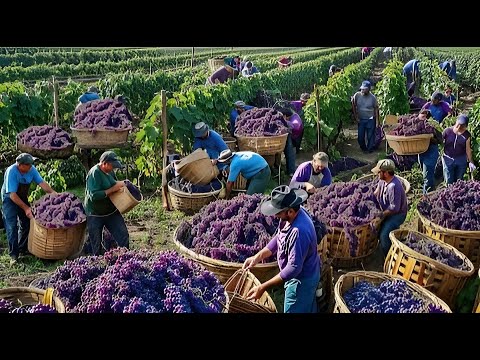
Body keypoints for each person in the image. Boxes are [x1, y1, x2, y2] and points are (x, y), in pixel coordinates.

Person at [243, 185, 320, 313]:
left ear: (289, 211)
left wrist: (263, 287)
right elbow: (280, 237)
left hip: (301, 281)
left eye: (278, 212)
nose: (275, 215)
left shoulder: (299, 231)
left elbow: (293, 268)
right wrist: (258, 257)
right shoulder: (291, 216)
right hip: (307, 271)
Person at [1, 153, 56, 264]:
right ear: (21, 165)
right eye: (29, 165)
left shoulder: (31, 170)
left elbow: (42, 183)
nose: (31, 166)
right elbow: (12, 195)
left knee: (26, 222)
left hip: (21, 197)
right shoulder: (12, 171)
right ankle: (14, 255)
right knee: (12, 226)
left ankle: (22, 248)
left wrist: (54, 193)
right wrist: (26, 208)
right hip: (9, 199)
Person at [84, 151, 129, 256]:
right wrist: (112, 189)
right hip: (95, 213)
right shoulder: (94, 173)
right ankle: (98, 265)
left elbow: (115, 184)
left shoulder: (110, 172)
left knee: (123, 235)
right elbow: (93, 195)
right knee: (96, 243)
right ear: (104, 163)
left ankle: (125, 259)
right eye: (112, 166)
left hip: (110, 211)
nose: (113, 169)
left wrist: (125, 185)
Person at [372, 159, 408, 256]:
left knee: (384, 235)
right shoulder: (382, 180)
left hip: (397, 215)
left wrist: (381, 215)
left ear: (386, 173)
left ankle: (389, 256)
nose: (377, 174)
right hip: (386, 211)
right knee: (377, 229)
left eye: (379, 172)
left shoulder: (394, 186)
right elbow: (376, 192)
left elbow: (394, 208)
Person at [442, 114, 476, 184]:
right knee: (449, 180)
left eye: (462, 126)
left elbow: (468, 149)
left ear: (466, 126)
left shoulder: (467, 135)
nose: (459, 127)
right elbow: (440, 142)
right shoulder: (447, 131)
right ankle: (449, 193)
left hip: (461, 160)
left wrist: (471, 162)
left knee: (459, 180)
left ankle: (457, 193)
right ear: (456, 123)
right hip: (448, 159)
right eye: (458, 125)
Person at [416, 108, 443, 194]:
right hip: (421, 152)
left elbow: (440, 140)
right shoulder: (417, 127)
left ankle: (427, 196)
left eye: (424, 118)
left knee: (427, 176)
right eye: (420, 118)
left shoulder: (433, 126)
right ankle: (429, 192)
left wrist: (430, 138)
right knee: (425, 175)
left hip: (431, 152)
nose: (421, 121)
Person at [351, 80, 380, 153]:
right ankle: (363, 148)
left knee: (370, 136)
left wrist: (377, 122)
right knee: (360, 137)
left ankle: (369, 149)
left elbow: (376, 109)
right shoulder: (357, 95)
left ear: (369, 89)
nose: (362, 90)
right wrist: (356, 116)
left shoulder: (372, 98)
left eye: (364, 89)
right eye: (362, 89)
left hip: (370, 119)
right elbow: (353, 104)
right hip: (361, 119)